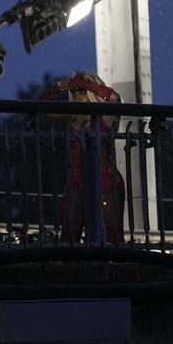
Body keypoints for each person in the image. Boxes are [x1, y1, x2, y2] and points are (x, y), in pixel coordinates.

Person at [40, 71, 125, 245]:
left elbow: (115, 98)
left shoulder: (106, 116)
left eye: (83, 92)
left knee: (112, 234)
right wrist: (59, 87)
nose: (79, 96)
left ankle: (115, 269)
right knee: (70, 234)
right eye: (76, 92)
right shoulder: (72, 116)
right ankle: (74, 270)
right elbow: (41, 105)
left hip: (105, 180)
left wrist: (87, 84)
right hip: (77, 182)